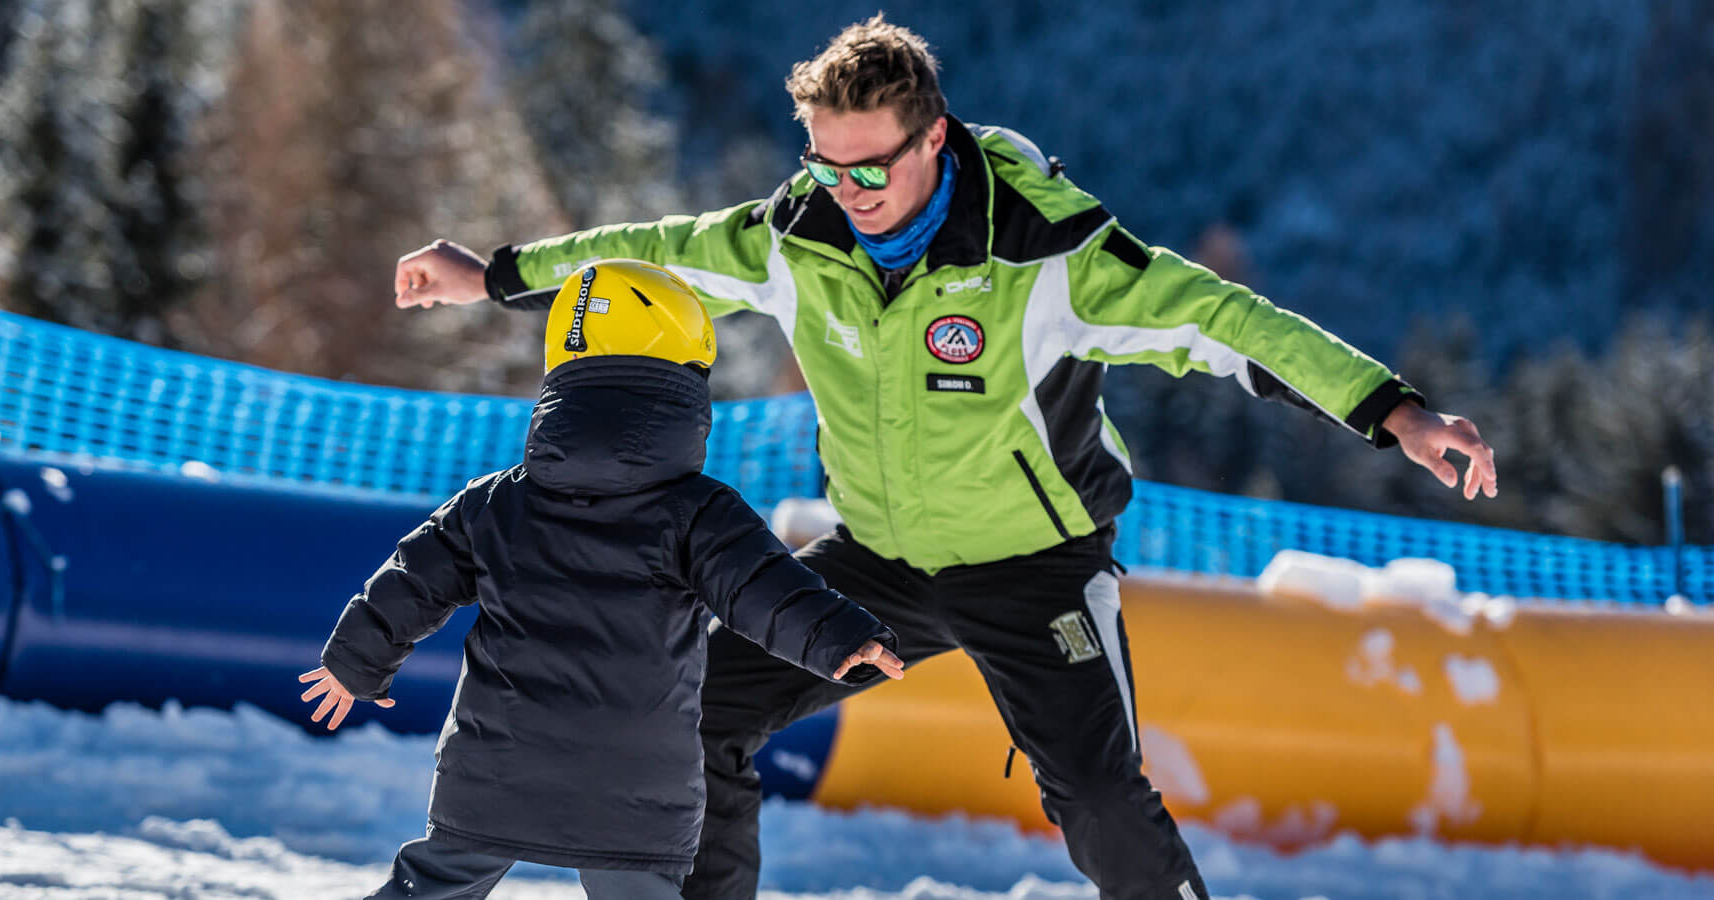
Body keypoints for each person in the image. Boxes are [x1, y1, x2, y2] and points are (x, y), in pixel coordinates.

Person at [389, 15, 1498, 900]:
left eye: (869, 173)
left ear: (931, 139)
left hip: (1034, 568)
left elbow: (1227, 324)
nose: (848, 198)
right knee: (697, 716)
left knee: (1103, 805)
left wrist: (1393, 413)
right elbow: (658, 249)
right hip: (876, 561)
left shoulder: (1048, 252)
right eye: (827, 170)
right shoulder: (798, 237)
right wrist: (492, 273)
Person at [298, 259, 905, 900]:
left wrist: (355, 662)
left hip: (497, 772)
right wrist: (841, 638)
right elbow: (767, 587)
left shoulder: (496, 503)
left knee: (436, 884)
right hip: (635, 786)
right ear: (687, 378)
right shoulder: (698, 511)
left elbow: (411, 579)